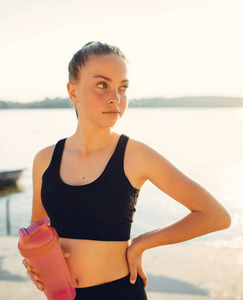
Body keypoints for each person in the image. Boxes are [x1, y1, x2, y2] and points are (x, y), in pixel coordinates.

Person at [22, 41, 231, 300]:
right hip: (62, 295)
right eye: (102, 85)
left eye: (123, 87)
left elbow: (215, 215)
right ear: (73, 92)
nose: (115, 98)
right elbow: (37, 231)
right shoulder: (45, 159)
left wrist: (142, 243)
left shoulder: (135, 155)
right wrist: (35, 263)